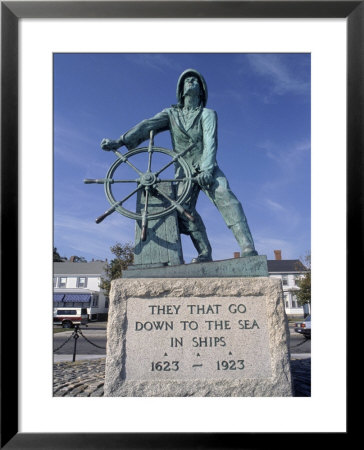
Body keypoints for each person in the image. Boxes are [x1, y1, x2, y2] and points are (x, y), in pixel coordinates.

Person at [101, 69, 257, 262]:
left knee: (228, 199)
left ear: (202, 90)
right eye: (187, 80)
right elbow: (146, 125)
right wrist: (120, 142)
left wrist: (207, 168)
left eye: (195, 81)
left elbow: (210, 142)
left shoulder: (208, 114)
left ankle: (247, 246)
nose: (191, 82)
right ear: (181, 90)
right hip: (183, 170)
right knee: (183, 210)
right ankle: (204, 252)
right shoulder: (171, 114)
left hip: (207, 166)